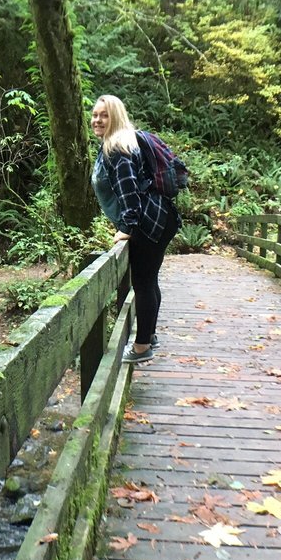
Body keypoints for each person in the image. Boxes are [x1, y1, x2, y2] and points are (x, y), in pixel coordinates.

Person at [90, 94, 181, 364]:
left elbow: (129, 191)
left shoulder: (117, 149)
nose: (97, 120)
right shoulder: (116, 143)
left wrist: (127, 227)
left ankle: (142, 347)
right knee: (149, 279)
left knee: (143, 282)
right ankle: (148, 335)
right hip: (158, 217)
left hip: (148, 221)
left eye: (104, 115)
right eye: (95, 115)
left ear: (115, 117)